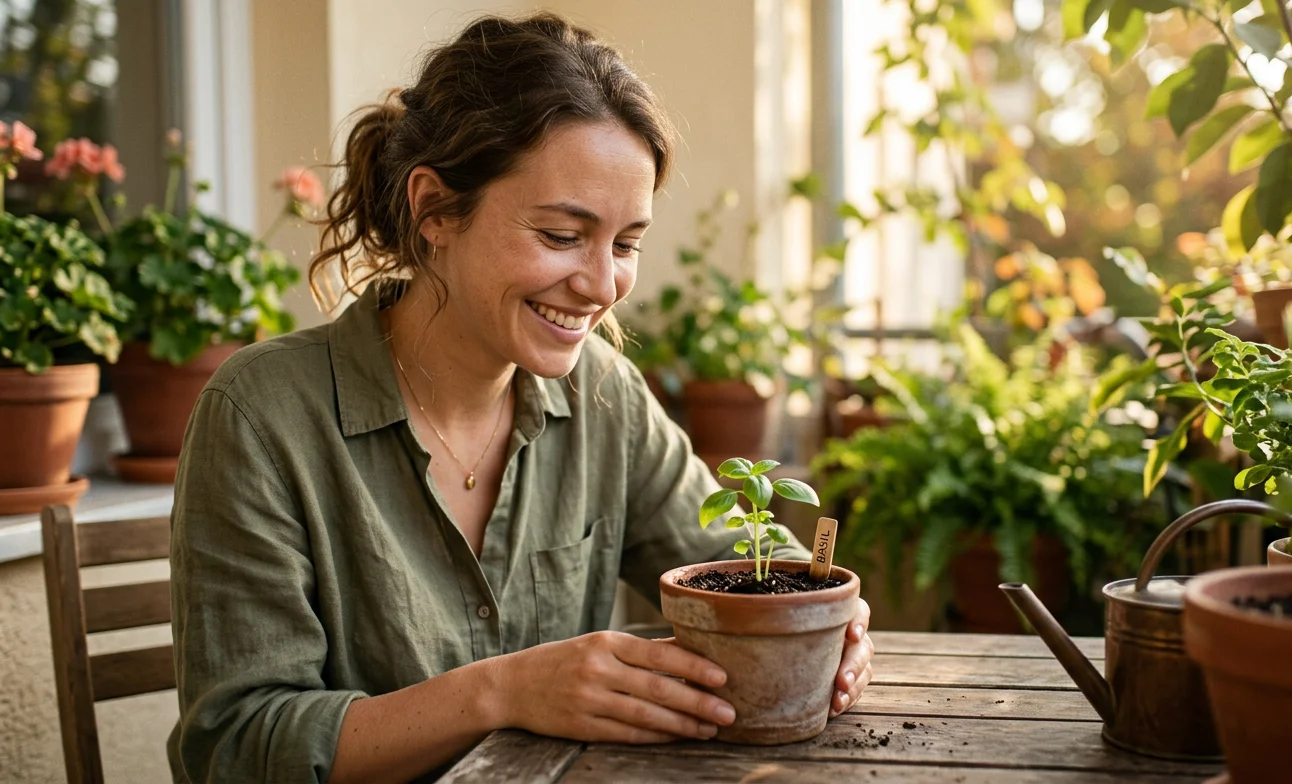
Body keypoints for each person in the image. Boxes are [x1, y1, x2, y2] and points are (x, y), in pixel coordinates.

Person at [167, 13, 873, 784]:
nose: (602, 286)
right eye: (563, 235)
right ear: (435, 210)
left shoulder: (605, 394)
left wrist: (820, 622)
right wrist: (504, 691)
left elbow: (739, 561)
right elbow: (236, 747)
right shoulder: (261, 414)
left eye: (626, 244)